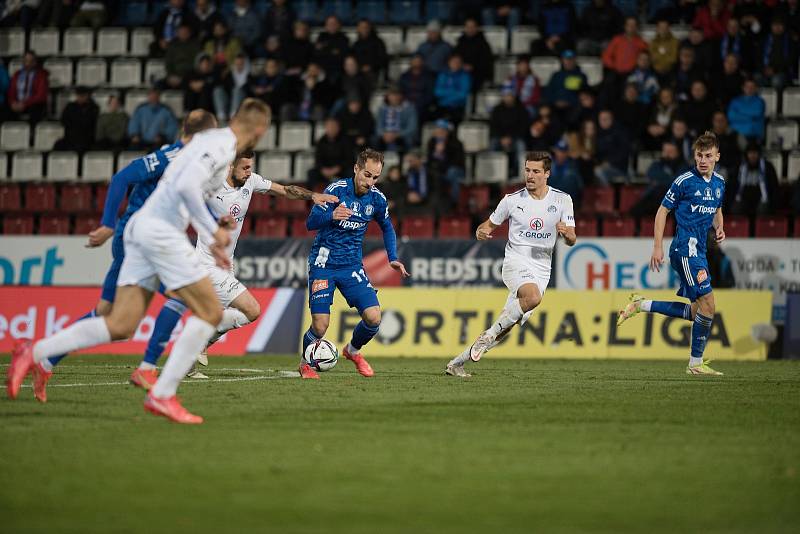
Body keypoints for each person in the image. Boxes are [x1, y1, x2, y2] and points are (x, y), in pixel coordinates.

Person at [8, 101, 272, 422]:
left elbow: (191, 188)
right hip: (161, 231)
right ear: (259, 129)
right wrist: (212, 232)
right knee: (209, 310)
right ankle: (162, 394)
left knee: (120, 324)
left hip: (141, 227)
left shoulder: (205, 141)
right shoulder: (222, 144)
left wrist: (217, 220)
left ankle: (35, 351)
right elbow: (187, 187)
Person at [26, 110, 218, 395]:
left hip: (142, 238)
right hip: (141, 238)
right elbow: (121, 178)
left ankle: (45, 362)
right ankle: (147, 368)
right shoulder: (172, 157)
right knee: (180, 294)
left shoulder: (187, 162)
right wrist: (107, 224)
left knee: (107, 313)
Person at [131, 151, 337, 387]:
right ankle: (198, 344)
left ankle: (189, 359)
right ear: (230, 166)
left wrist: (312, 196)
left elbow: (285, 190)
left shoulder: (251, 181)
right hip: (207, 265)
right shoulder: (212, 185)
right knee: (252, 310)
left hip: (226, 264)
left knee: (210, 318)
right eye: (245, 168)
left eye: (251, 167)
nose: (249, 172)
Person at [445, 151, 576, 377]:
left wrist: (566, 234)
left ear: (547, 174)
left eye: (536, 171)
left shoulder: (562, 200)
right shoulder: (512, 200)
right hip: (516, 260)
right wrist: (481, 232)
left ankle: (456, 363)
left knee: (507, 325)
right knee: (533, 298)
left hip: (543, 267)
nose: (530, 175)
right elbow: (485, 227)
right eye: (527, 170)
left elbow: (572, 238)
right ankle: (487, 336)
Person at [617, 131, 726, 376]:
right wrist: (657, 246)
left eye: (708, 155)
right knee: (709, 304)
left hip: (700, 250)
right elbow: (661, 212)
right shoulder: (684, 181)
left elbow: (717, 208)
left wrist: (720, 227)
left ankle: (640, 304)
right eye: (699, 155)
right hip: (684, 249)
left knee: (698, 312)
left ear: (717, 156)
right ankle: (695, 365)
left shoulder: (719, 183)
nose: (703, 160)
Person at [299, 149, 410, 380]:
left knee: (374, 318)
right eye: (367, 175)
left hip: (351, 266)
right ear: (356, 169)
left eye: (375, 177)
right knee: (320, 326)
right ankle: (305, 363)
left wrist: (393, 258)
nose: (370, 182)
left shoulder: (377, 199)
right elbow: (310, 223)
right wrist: (331, 215)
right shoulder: (336, 191)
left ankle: (352, 351)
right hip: (324, 264)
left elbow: (388, 227)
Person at [630, 139, 687, 218]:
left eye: (670, 151)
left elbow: (676, 182)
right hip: (654, 197)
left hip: (673, 200)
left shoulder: (684, 167)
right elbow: (650, 174)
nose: (667, 154)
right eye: (665, 151)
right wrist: (668, 179)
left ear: (677, 152)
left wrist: (660, 181)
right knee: (636, 210)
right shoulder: (657, 164)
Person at [489, 82, 529, 173]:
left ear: (514, 96)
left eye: (510, 95)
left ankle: (517, 172)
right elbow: (493, 126)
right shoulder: (497, 109)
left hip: (515, 138)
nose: (508, 97)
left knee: (521, 146)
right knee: (492, 144)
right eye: (505, 95)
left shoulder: (521, 109)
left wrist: (511, 137)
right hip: (500, 138)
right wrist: (502, 137)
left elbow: (523, 127)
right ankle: (494, 172)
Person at [730, 142, 779, 217]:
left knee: (763, 209)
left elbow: (774, 186)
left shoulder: (767, 167)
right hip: (743, 198)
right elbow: (733, 186)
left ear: (759, 154)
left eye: (755, 153)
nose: (753, 156)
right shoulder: (740, 167)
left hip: (762, 199)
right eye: (750, 153)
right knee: (736, 208)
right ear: (747, 154)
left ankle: (760, 228)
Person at [426, 118, 466, 204]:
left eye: (442, 130)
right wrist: (436, 153)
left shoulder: (456, 143)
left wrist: (445, 150)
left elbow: (457, 161)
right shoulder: (432, 142)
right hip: (439, 169)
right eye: (438, 130)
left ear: (447, 132)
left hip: (455, 169)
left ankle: (453, 203)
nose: (439, 132)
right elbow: (429, 160)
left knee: (452, 174)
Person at [308, 117, 354, 190]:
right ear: (326, 128)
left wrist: (337, 169)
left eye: (333, 127)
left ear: (338, 128)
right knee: (312, 173)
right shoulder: (321, 142)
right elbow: (318, 159)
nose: (331, 129)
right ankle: (312, 197)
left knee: (350, 173)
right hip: (325, 170)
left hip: (340, 170)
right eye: (329, 127)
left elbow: (349, 159)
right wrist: (322, 169)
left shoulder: (346, 141)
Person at [7, 50, 48, 125]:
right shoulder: (17, 75)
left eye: (30, 61)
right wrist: (12, 102)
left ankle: (31, 133)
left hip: (33, 104)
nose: (27, 63)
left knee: (36, 110)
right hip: (18, 103)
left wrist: (25, 103)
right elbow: (11, 91)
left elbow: (40, 96)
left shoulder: (41, 75)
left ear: (35, 62)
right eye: (25, 61)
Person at [53, 86, 98, 153]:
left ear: (87, 96)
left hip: (87, 138)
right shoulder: (70, 107)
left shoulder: (93, 108)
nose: (81, 98)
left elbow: (92, 124)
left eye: (83, 96)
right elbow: (64, 121)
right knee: (58, 145)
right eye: (79, 95)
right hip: (71, 137)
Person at [454, 17, 494, 91]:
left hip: (477, 74)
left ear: (476, 28)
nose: (470, 29)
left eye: (472, 27)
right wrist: (462, 66)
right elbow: (455, 58)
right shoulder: (460, 42)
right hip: (461, 73)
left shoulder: (483, 44)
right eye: (468, 27)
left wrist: (473, 67)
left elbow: (487, 62)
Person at [374, 85, 418, 152]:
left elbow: (412, 128)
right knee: (374, 140)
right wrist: (384, 134)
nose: (394, 98)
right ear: (388, 96)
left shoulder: (409, 108)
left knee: (408, 141)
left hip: (401, 136)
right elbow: (378, 126)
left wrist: (396, 135)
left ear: (401, 96)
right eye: (391, 95)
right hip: (385, 136)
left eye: (396, 95)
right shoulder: (382, 109)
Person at [433, 53, 471, 124]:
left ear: (461, 64)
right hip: (442, 106)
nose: (456, 64)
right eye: (454, 62)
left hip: (457, 107)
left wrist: (446, 95)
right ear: (449, 62)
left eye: (458, 62)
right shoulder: (443, 74)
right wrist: (453, 91)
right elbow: (437, 92)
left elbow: (463, 95)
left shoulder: (465, 76)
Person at [727, 78, 766, 143]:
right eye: (747, 86)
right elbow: (731, 116)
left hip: (753, 135)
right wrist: (749, 116)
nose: (749, 89)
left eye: (752, 87)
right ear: (743, 87)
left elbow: (756, 115)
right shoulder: (735, 101)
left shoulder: (760, 102)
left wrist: (739, 114)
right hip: (735, 134)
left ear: (756, 88)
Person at [314, 15, 350, 84]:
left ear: (338, 25)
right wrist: (332, 52)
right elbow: (317, 53)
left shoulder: (344, 38)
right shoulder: (321, 37)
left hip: (337, 69)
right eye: (329, 24)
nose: (332, 25)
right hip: (322, 68)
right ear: (326, 26)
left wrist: (325, 50)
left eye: (334, 23)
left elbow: (343, 55)